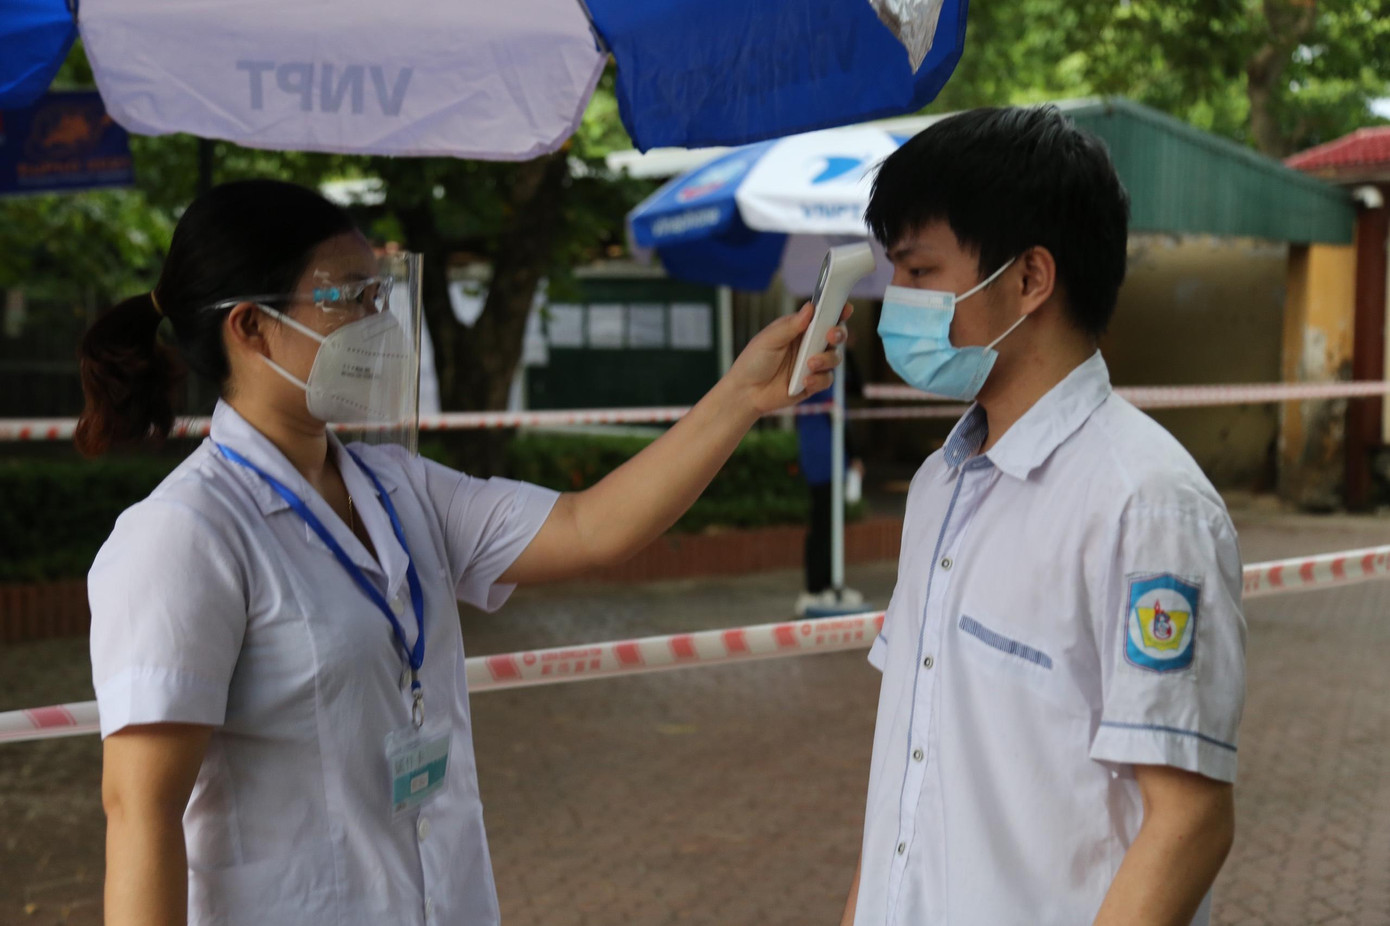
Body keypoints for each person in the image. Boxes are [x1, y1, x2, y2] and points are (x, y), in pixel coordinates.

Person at [78, 179, 846, 926]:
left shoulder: (397, 486)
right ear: (250, 327)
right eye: (349, 297)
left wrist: (742, 397)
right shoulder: (186, 534)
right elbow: (141, 808)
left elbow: (590, 528)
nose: (377, 323)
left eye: (380, 296)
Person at [840, 107, 1245, 926]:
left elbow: (1189, 820)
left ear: (1029, 278)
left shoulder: (1145, 506)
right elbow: (905, 773)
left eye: (919, 270)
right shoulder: (939, 482)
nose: (896, 300)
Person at [794, 346, 864, 616]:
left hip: (823, 457)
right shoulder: (818, 378)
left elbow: (857, 387)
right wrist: (854, 454)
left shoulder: (820, 374)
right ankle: (815, 588)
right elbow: (839, 415)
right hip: (825, 459)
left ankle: (825, 586)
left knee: (828, 524)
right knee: (824, 525)